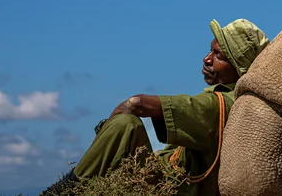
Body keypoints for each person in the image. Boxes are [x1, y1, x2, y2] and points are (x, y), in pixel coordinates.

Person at [40, 18, 270, 196]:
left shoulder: (221, 104)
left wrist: (107, 130)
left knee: (125, 124)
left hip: (168, 189)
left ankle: (65, 191)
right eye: (210, 50)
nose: (206, 59)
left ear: (237, 67)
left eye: (218, 55)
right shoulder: (232, 102)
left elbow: (137, 104)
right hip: (162, 180)